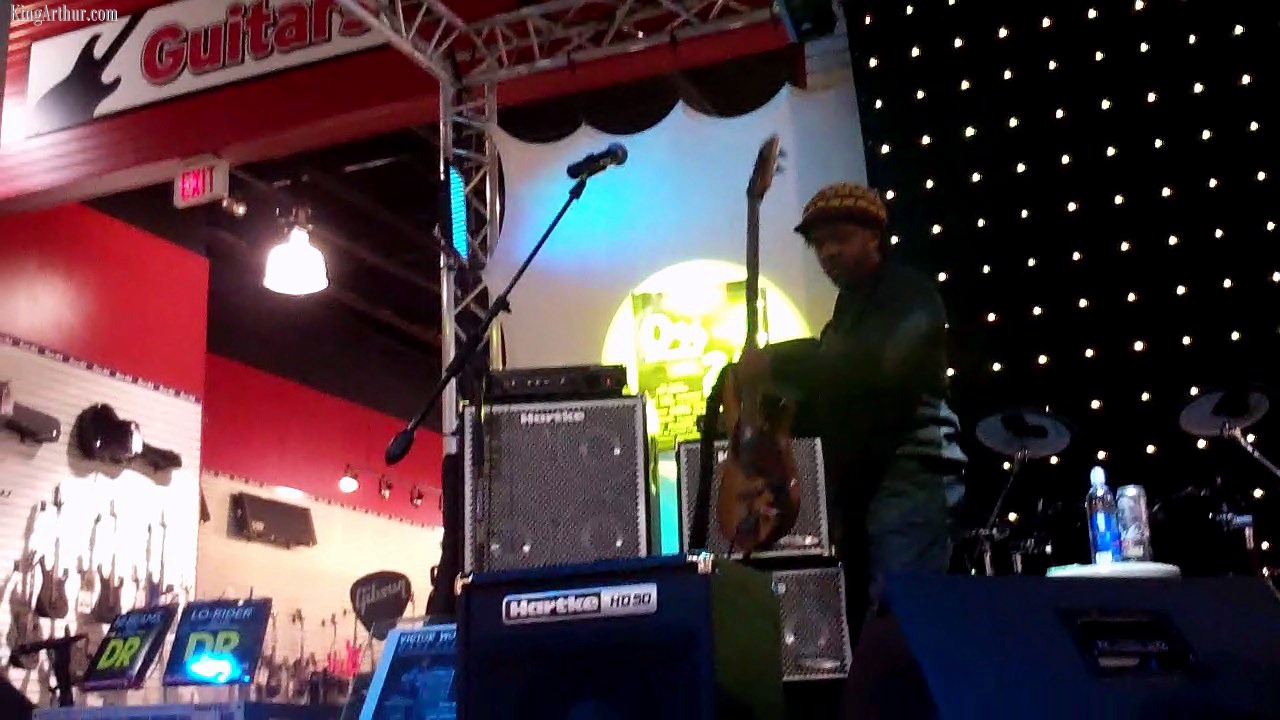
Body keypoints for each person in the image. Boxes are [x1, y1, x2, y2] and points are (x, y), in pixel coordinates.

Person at [733, 182, 967, 717]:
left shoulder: (910, 295)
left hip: (913, 471)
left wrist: (775, 362)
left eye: (838, 238)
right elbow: (833, 373)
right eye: (818, 244)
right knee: (878, 619)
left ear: (874, 237)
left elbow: (871, 367)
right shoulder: (849, 309)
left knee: (900, 619)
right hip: (870, 484)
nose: (828, 253)